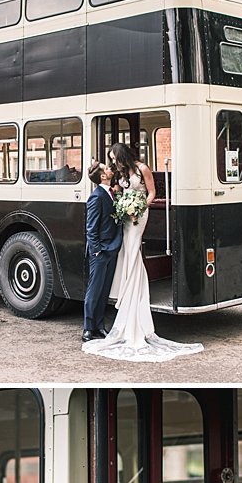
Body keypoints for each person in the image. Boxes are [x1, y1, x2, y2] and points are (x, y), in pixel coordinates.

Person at [82, 143, 203, 363]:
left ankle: (129, 296)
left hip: (138, 216)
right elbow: (115, 195)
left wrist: (139, 208)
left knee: (133, 252)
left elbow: (152, 193)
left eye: (115, 158)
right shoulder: (118, 176)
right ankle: (117, 305)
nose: (113, 163)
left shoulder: (142, 169)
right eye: (110, 161)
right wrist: (124, 206)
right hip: (126, 220)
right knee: (126, 255)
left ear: (123, 155)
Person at [82, 161, 123, 342]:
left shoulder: (111, 193)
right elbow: (91, 228)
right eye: (106, 168)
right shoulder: (96, 196)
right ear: (102, 176)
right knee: (94, 290)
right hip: (101, 251)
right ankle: (88, 329)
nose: (110, 169)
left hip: (112, 249)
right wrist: (97, 250)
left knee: (104, 290)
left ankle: (99, 326)